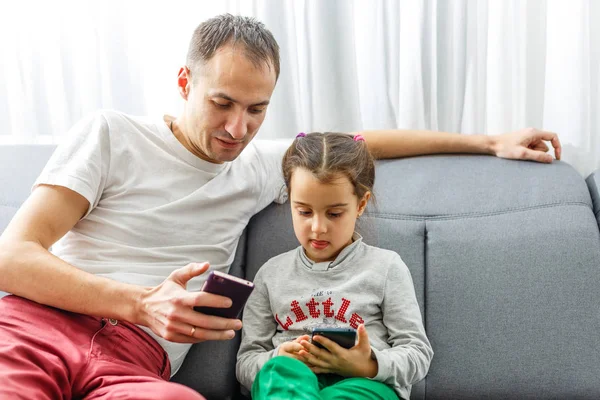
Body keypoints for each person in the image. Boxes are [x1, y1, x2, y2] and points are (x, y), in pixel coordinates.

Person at [0, 13, 560, 400]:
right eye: (221, 103)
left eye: (256, 110)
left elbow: (360, 142)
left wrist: (488, 143)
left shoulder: (262, 166)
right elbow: (12, 257)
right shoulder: (110, 135)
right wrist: (142, 302)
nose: (236, 128)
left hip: (133, 363)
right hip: (38, 326)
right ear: (183, 81)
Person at [236, 132, 432, 400]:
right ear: (290, 201)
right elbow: (247, 361)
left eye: (334, 214)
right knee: (278, 371)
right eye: (304, 212)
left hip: (364, 384)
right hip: (291, 384)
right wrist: (279, 355)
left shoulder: (386, 267)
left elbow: (418, 353)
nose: (318, 228)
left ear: (360, 204)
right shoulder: (271, 275)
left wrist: (367, 365)